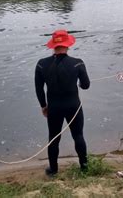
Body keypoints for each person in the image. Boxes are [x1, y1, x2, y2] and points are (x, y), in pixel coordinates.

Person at [35, 29, 90, 177]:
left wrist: (43, 106)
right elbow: (86, 85)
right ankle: (84, 167)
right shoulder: (77, 63)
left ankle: (53, 170)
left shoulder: (41, 64)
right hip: (73, 106)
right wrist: (78, 82)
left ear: (53, 45)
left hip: (54, 107)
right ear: (68, 45)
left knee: (53, 138)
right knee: (78, 135)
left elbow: (39, 88)